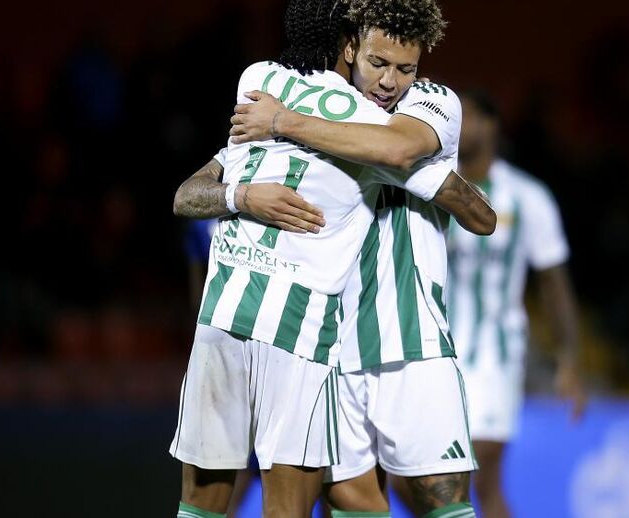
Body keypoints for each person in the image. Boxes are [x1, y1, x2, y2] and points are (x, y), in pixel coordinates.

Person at [168, 1, 493, 517]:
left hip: (410, 334)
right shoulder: (323, 109)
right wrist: (248, 192)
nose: (389, 81)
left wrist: (281, 120)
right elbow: (192, 191)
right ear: (350, 49)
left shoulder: (432, 102)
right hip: (332, 342)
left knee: (442, 501)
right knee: (351, 499)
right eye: (377, 63)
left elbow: (402, 155)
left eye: (404, 69)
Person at [445, 90, 588, 517]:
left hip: (495, 355)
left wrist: (569, 359)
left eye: (469, 116)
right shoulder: (431, 185)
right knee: (415, 479)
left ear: (492, 125)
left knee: (475, 477)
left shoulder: (527, 197)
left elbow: (554, 282)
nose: (459, 125)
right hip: (436, 354)